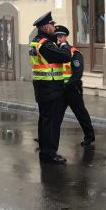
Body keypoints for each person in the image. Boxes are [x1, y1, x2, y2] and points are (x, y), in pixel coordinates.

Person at [29, 12, 71, 164]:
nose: (54, 27)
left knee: (45, 120)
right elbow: (65, 56)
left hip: (43, 86)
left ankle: (45, 150)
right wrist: (65, 45)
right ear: (46, 27)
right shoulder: (44, 45)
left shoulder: (38, 41)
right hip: (49, 87)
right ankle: (50, 153)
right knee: (51, 122)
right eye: (52, 25)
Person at [54, 25, 96, 146]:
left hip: (72, 89)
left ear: (65, 37)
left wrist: (67, 85)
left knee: (81, 114)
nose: (58, 39)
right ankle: (47, 139)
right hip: (60, 89)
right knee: (55, 116)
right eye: (56, 37)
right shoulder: (55, 52)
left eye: (60, 37)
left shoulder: (74, 53)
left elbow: (77, 74)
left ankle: (89, 136)